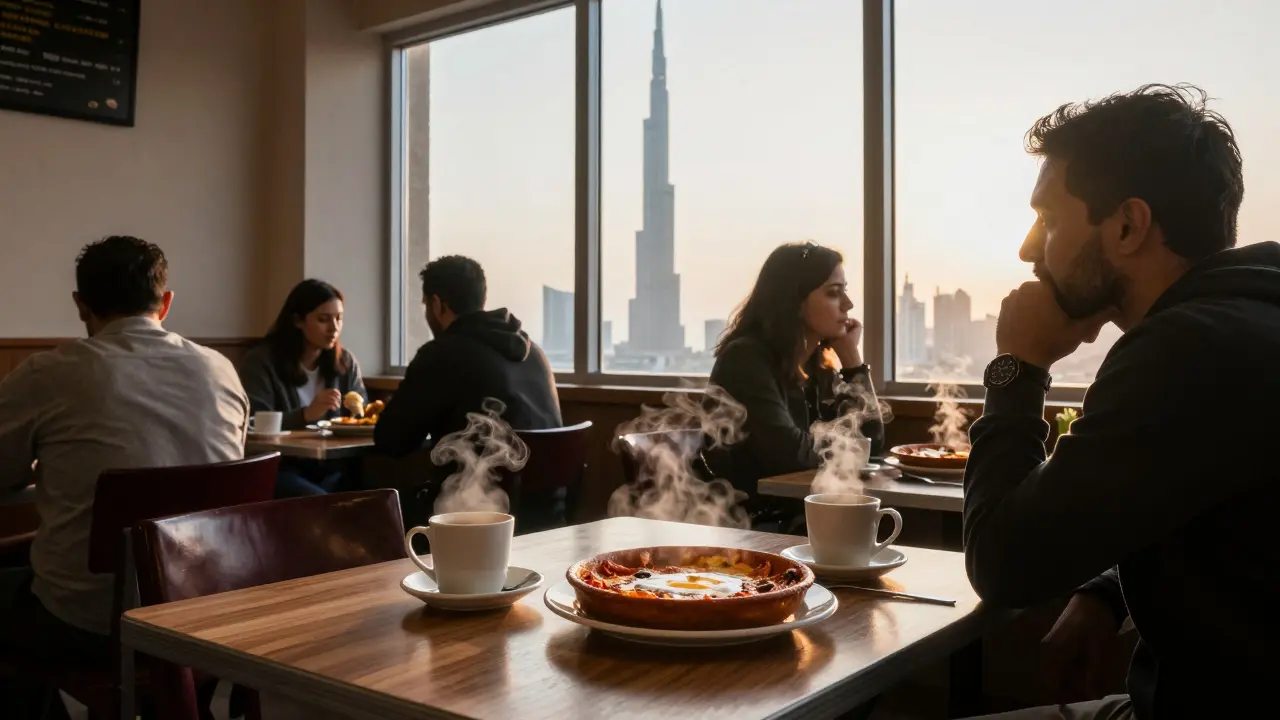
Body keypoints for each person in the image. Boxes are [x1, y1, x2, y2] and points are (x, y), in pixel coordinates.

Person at [963, 84, 1278, 720]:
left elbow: (1003, 564)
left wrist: (1017, 368)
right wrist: (1110, 590)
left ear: (1128, 225)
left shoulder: (1187, 350)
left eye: (1050, 220)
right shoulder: (1248, 318)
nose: (1028, 249)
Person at [0, 236, 249, 719]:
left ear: (80, 305)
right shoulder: (222, 372)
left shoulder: (49, 374)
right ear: (166, 302)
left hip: (92, 622)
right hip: (204, 612)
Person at [704, 241, 885, 528]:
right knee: (865, 527)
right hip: (751, 525)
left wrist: (852, 362)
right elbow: (789, 455)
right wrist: (846, 447)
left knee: (871, 523)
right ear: (794, 301)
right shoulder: (746, 359)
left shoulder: (816, 366)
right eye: (834, 293)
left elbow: (870, 442)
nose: (848, 305)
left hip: (797, 516)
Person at [375, 256, 562, 525]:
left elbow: (392, 440)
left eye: (426, 304)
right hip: (550, 515)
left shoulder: (442, 354)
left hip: (476, 517)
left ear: (438, 304)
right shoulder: (534, 353)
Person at [238, 279, 367, 497]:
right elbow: (253, 425)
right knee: (325, 503)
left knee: (375, 496)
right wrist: (305, 415)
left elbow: (363, 416)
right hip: (284, 468)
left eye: (339, 318)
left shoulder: (345, 362)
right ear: (298, 321)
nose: (334, 328)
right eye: (323, 319)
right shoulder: (261, 362)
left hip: (333, 468)